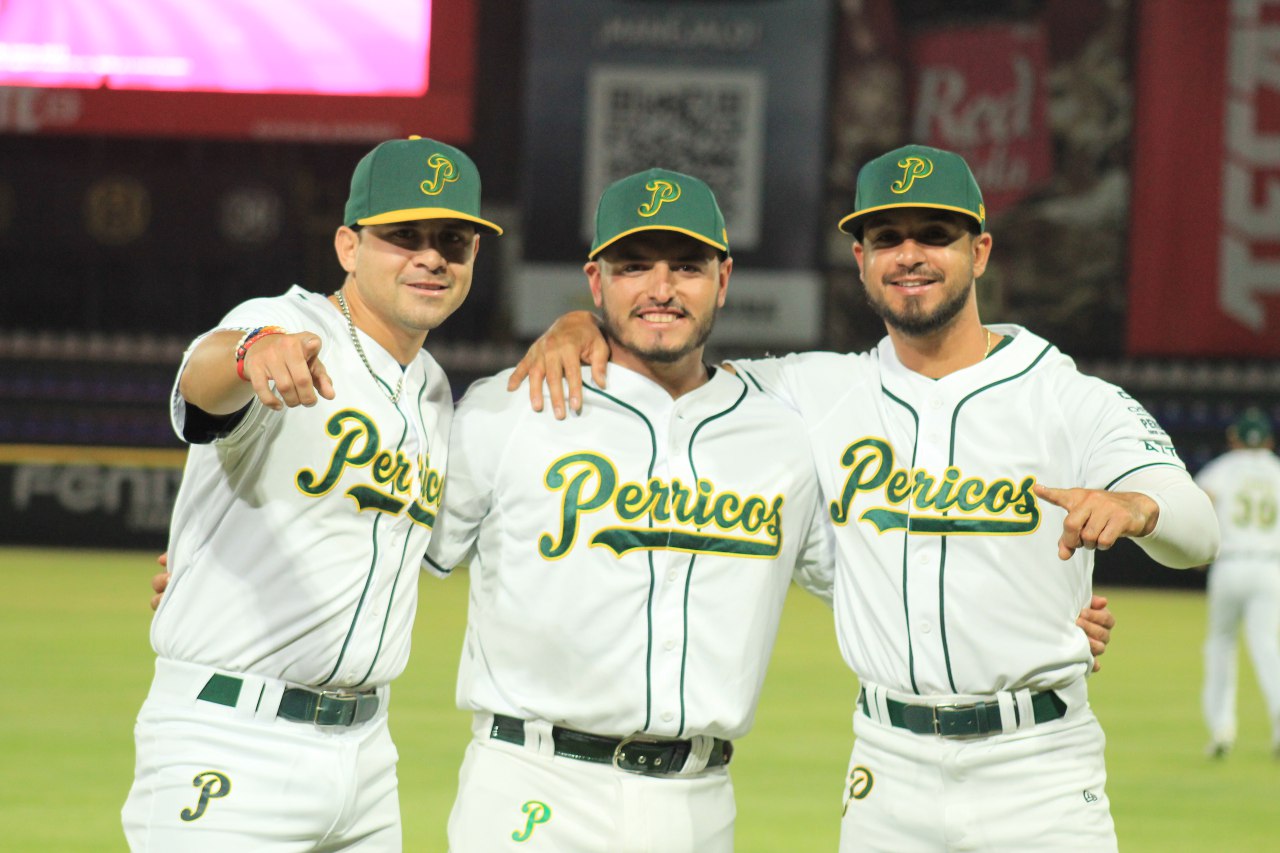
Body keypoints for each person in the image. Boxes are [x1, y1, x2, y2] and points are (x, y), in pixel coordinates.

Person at [510, 144, 1218, 852]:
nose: (910, 254)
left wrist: (1138, 509)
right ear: (860, 259)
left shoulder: (1066, 395)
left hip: (1039, 766)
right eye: (887, 238)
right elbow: (666, 358)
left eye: (935, 235)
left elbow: (1197, 527)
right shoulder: (810, 391)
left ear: (981, 251)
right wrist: (583, 324)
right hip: (888, 769)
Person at [424, 168, 835, 852]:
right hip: (532, 785)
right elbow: (385, 542)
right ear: (596, 281)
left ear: (724, 279)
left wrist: (1053, 609)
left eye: (688, 267)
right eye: (634, 266)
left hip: (697, 803)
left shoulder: (782, 437)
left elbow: (884, 581)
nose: (661, 289)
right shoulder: (510, 407)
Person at [122, 135, 502, 851]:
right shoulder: (289, 323)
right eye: (402, 236)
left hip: (365, 759)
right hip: (231, 737)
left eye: (453, 240)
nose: (431, 256)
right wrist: (248, 351)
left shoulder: (432, 393)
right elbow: (204, 382)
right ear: (348, 247)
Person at [1195, 407, 1280, 759]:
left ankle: (1221, 730)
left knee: (1220, 645)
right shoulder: (1276, 470)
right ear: (1269, 440)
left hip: (1228, 565)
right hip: (1269, 567)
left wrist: (1197, 552)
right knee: (1267, 648)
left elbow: (1200, 505)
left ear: (1234, 439)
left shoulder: (1221, 469)